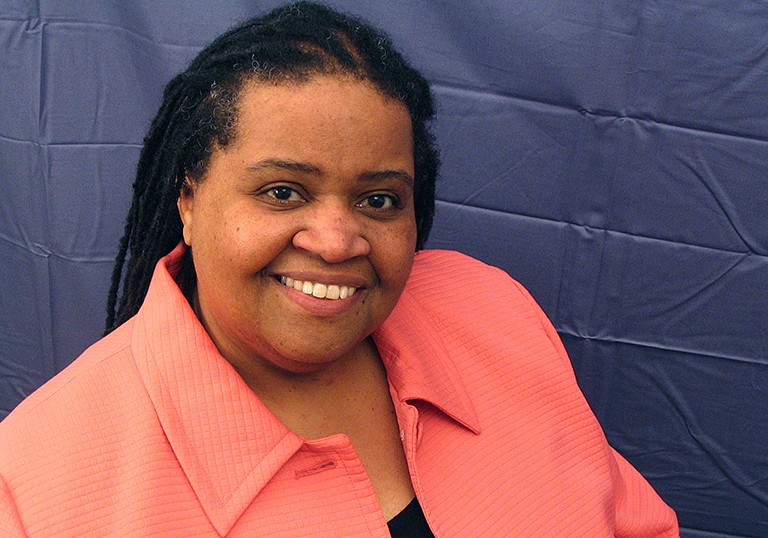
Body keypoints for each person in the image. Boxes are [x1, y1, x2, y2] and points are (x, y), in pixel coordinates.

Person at [0, 2, 678, 536]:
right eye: (282, 191)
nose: (335, 242)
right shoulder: (34, 483)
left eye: (378, 200)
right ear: (188, 197)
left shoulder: (492, 312)